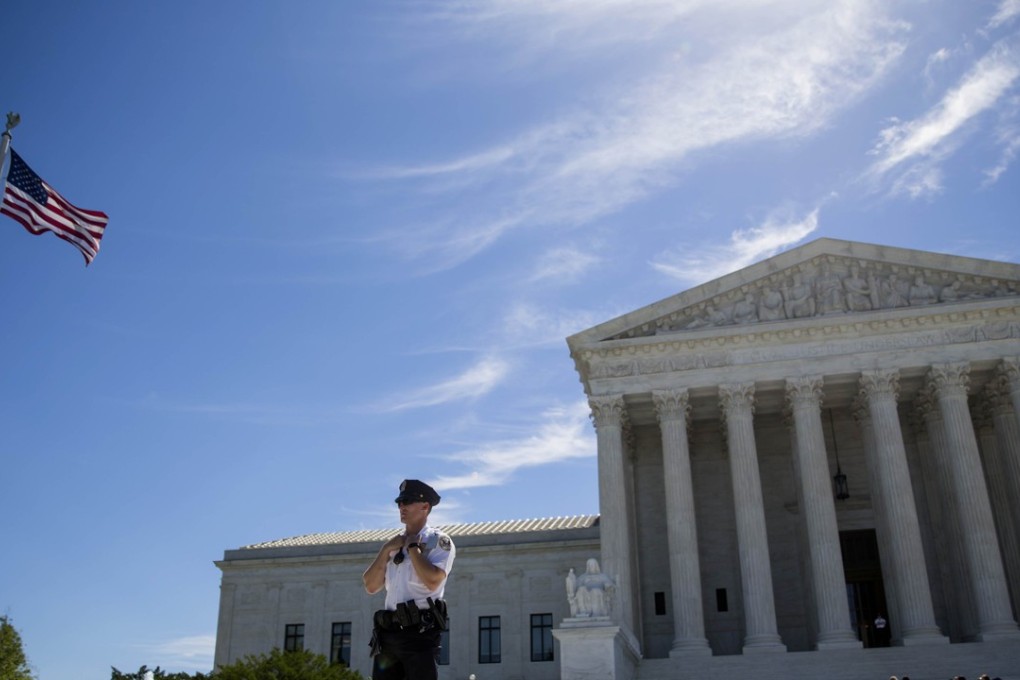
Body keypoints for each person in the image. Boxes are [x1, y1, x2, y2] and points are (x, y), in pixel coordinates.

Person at [363, 479, 455, 680]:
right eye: (400, 502)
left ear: (425, 506)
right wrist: (386, 549)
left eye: (408, 501)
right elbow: (370, 585)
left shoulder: (437, 541)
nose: (402, 507)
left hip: (419, 636)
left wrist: (413, 550)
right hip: (388, 636)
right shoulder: (394, 544)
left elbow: (433, 581)